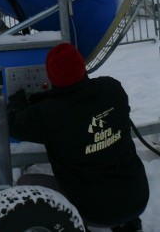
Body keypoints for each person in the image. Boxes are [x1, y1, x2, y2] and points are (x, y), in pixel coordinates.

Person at [8, 42, 149, 231]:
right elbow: (80, 106)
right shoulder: (112, 89)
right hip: (137, 198)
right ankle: (127, 223)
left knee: (25, 184)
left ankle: (76, 224)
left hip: (94, 212)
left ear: (51, 77)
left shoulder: (48, 115)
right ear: (82, 66)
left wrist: (17, 104)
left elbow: (13, 125)